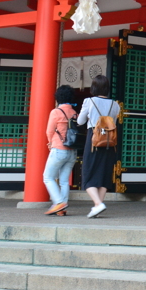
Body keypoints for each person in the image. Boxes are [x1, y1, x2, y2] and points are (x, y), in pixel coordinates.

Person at [77, 75, 120, 218]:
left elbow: (80, 121)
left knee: (88, 173)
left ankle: (98, 203)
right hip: (109, 142)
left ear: (94, 87)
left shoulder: (89, 101)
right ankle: (97, 205)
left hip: (94, 140)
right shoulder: (115, 104)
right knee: (104, 174)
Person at [42, 85, 78, 216]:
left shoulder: (56, 112)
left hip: (59, 149)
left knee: (48, 177)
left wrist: (51, 143)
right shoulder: (74, 112)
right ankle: (61, 208)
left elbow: (49, 131)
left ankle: (58, 203)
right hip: (72, 151)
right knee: (64, 180)